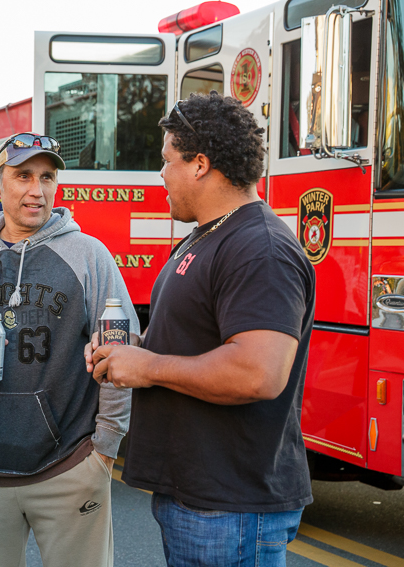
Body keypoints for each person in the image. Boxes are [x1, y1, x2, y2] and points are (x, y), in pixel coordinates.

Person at [88, 92, 316, 567]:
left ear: (200, 164)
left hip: (229, 507)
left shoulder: (261, 248)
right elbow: (194, 341)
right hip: (201, 500)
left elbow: (258, 372)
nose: (162, 175)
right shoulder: (210, 235)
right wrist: (129, 353)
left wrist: (149, 366)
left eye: (168, 161)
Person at [0, 133, 137, 567]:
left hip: (69, 469)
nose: (36, 190)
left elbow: (122, 350)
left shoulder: (88, 255)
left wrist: (106, 448)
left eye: (47, 177)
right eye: (22, 176)